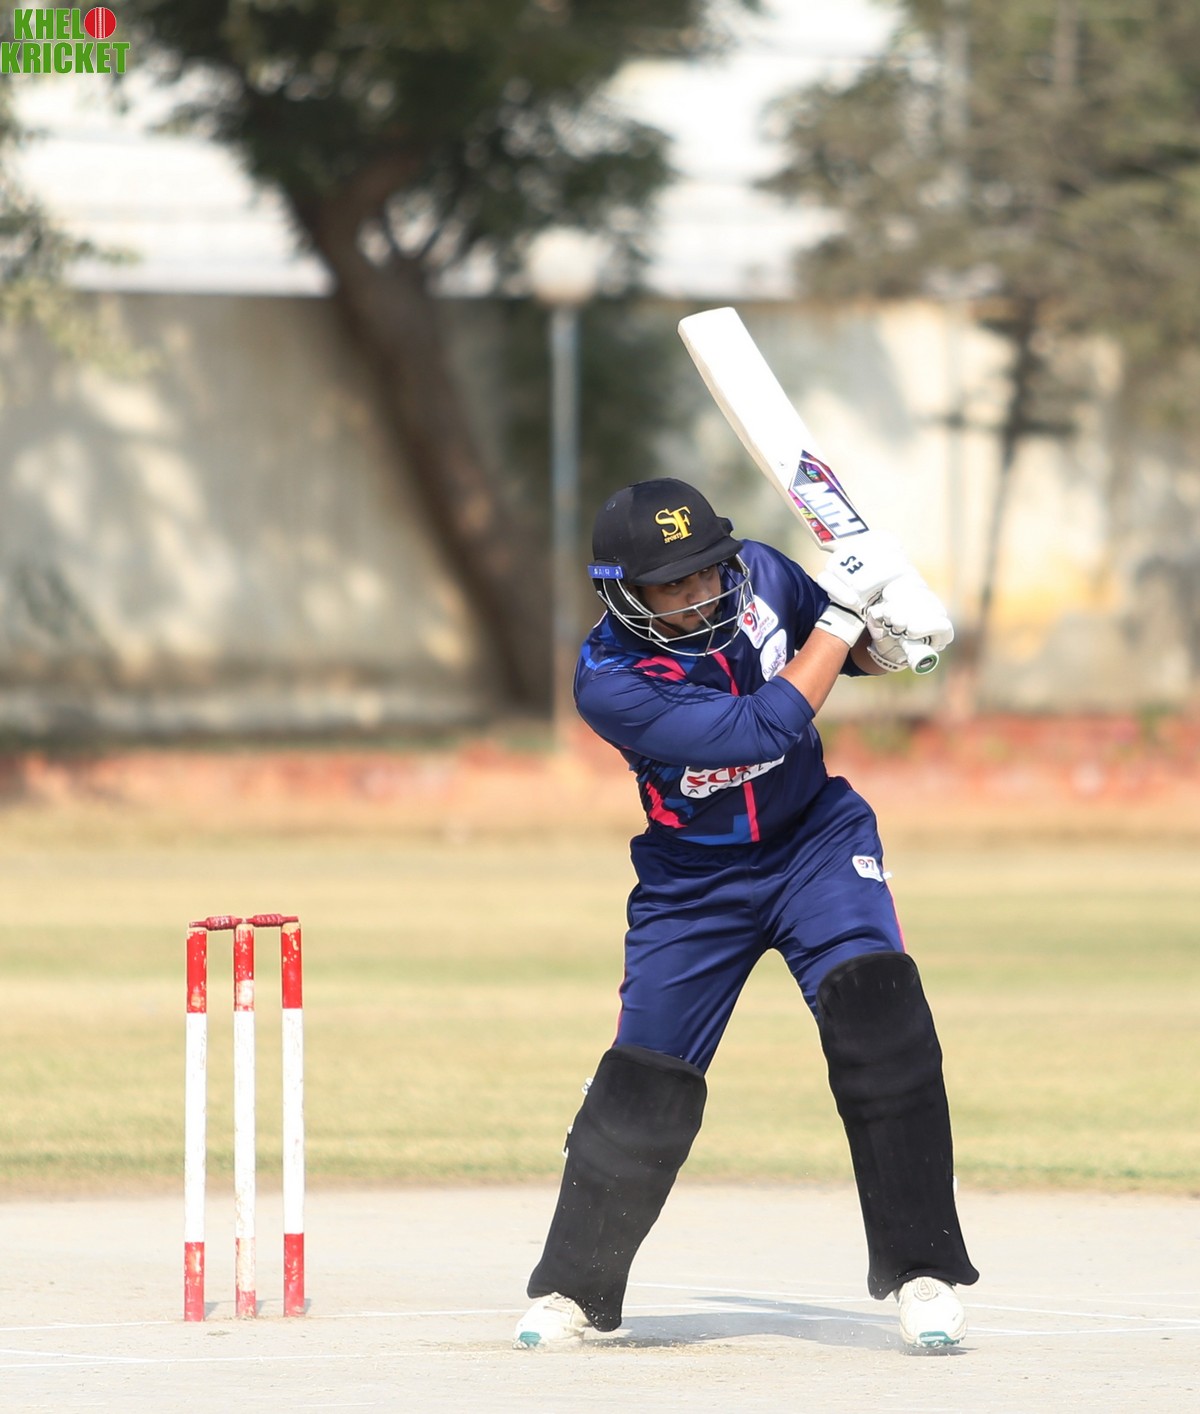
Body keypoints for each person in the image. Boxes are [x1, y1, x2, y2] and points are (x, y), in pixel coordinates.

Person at [512, 476, 978, 1354]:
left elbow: (841, 653)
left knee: (881, 1016)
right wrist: (847, 614)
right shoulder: (610, 681)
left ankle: (924, 1272)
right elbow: (759, 729)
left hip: (815, 843)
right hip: (695, 881)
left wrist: (896, 633)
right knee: (647, 1075)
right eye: (673, 584)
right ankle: (574, 1288)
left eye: (708, 569)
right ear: (625, 592)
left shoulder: (758, 573)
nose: (701, 591)